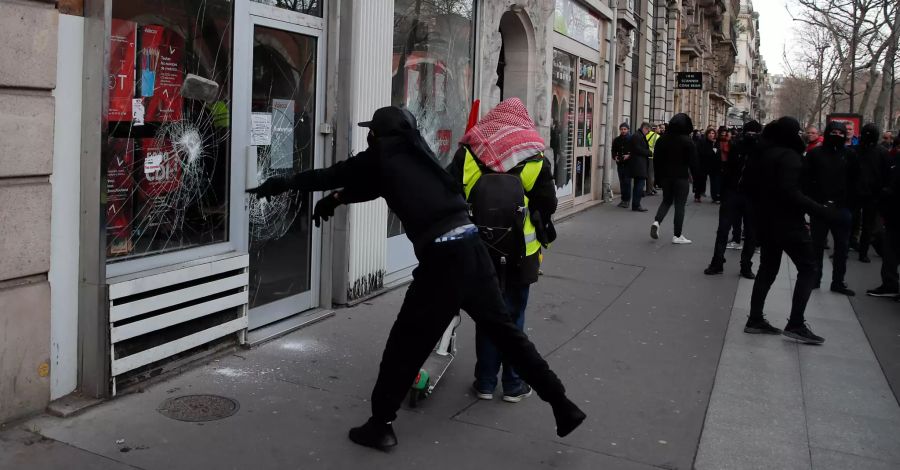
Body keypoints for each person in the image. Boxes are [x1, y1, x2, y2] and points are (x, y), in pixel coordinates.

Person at [248, 106, 586, 450]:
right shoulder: (418, 156)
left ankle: (381, 425)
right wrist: (336, 200)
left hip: (442, 261)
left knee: (404, 346)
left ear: (377, 135)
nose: (370, 138)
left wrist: (282, 183)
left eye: (372, 133)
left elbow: (330, 175)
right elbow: (372, 186)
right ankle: (563, 405)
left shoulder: (380, 157)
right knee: (508, 335)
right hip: (472, 246)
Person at [446, 98, 558, 404]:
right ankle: (513, 384)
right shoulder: (534, 157)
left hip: (478, 248)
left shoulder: (469, 151)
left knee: (487, 315)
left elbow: (450, 192)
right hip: (521, 252)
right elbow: (548, 204)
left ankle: (484, 382)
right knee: (514, 315)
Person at [741, 116, 837, 345]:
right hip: (787, 222)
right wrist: (819, 210)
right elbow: (790, 192)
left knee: (767, 269)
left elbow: (748, 186)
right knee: (808, 267)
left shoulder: (761, 153)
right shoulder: (790, 157)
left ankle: (755, 319)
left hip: (764, 220)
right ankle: (796, 323)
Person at [803, 120, 859, 296]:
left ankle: (838, 282)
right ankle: (815, 278)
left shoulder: (850, 155)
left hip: (842, 209)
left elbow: (855, 182)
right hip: (820, 207)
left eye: (841, 133)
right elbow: (806, 180)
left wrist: (848, 205)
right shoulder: (815, 154)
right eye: (834, 132)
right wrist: (814, 203)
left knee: (842, 248)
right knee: (817, 246)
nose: (837, 136)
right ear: (827, 133)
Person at [704, 120, 762, 279]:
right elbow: (728, 170)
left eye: (754, 132)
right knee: (723, 229)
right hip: (734, 192)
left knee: (750, 233)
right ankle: (718, 262)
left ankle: (744, 265)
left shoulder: (761, 150)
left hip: (750, 195)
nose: (751, 135)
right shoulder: (737, 146)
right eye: (749, 132)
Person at [650, 113, 697, 244]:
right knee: (680, 205)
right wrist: (696, 180)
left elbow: (656, 161)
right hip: (681, 177)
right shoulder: (688, 141)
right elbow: (694, 163)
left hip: (666, 177)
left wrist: (657, 179)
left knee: (666, 201)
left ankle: (657, 221)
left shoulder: (662, 139)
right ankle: (677, 235)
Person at [853, 124, 891, 263]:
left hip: (863, 193)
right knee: (867, 225)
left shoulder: (855, 151)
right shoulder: (882, 152)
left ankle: (859, 250)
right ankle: (863, 252)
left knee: (861, 224)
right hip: (871, 194)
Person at [867, 151, 900, 298]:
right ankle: (890, 284)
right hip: (893, 214)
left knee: (891, 250)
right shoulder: (895, 159)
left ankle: (890, 284)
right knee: (890, 251)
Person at [628, 122, 652, 211]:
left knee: (639, 185)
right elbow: (637, 149)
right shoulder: (637, 136)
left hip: (640, 164)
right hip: (638, 165)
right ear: (644, 128)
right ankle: (636, 205)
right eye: (648, 131)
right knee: (639, 186)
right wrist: (649, 152)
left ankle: (636, 204)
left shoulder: (639, 135)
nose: (648, 132)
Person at [612, 123, 633, 208]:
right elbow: (613, 150)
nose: (623, 131)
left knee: (627, 182)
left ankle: (627, 200)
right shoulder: (617, 139)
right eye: (622, 129)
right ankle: (623, 199)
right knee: (622, 182)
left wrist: (629, 155)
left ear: (628, 130)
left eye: (625, 129)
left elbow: (635, 150)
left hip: (629, 164)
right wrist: (615, 157)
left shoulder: (632, 139)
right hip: (620, 163)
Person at [694, 128, 717, 202]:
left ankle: (714, 196)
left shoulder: (715, 142)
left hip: (712, 164)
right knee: (701, 179)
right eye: (710, 133)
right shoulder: (702, 141)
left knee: (712, 181)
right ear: (707, 134)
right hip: (702, 164)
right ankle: (697, 195)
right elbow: (699, 152)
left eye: (713, 133)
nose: (711, 135)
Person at [645, 123, 660, 196]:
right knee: (651, 174)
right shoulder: (657, 136)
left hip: (645, 155)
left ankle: (649, 188)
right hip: (652, 156)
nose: (659, 129)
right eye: (658, 128)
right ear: (655, 129)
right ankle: (650, 189)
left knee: (646, 173)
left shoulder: (645, 134)